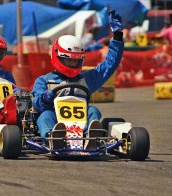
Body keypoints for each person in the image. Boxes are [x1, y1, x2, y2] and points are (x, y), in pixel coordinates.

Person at [31, 10, 124, 149]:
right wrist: (45, 97)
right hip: (56, 120)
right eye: (68, 61)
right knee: (44, 116)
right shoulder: (44, 81)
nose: (72, 65)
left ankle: (90, 137)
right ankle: (53, 138)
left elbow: (109, 65)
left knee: (93, 110)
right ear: (57, 57)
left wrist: (117, 37)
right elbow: (37, 105)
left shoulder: (86, 79)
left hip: (82, 123)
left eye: (75, 61)